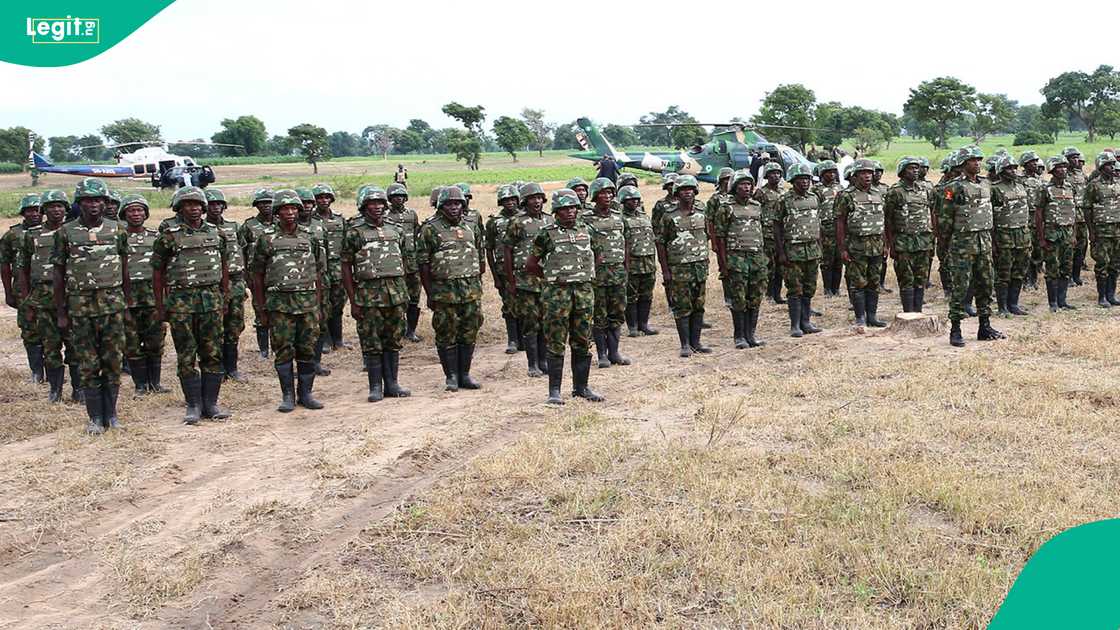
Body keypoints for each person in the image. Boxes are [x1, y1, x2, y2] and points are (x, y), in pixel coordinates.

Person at [51, 178, 130, 434]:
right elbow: (59, 273)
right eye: (87, 200)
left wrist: (126, 305)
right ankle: (95, 418)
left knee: (113, 361)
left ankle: (113, 415)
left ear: (105, 203)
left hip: (112, 307)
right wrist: (61, 311)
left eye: (98, 200)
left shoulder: (118, 230)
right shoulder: (65, 232)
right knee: (87, 362)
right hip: (81, 309)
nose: (93, 205)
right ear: (79, 204)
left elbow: (125, 268)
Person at [152, 186, 231, 423]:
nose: (193, 208)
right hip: (181, 304)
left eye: (197, 204)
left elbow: (224, 266)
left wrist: (224, 297)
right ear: (179, 208)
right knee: (186, 355)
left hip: (211, 302)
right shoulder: (169, 236)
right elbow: (157, 272)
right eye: (188, 204)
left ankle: (211, 404)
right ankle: (193, 405)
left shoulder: (217, 234)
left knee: (212, 353)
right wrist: (160, 305)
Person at [525, 188, 604, 404]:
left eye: (573, 208)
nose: (570, 212)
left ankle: (582, 388)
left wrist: (585, 274)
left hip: (584, 293)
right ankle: (554, 392)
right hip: (557, 295)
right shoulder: (546, 233)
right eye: (564, 208)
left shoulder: (587, 229)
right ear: (556, 211)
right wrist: (552, 277)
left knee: (582, 340)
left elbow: (599, 254)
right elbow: (531, 264)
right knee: (556, 341)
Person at [251, 189, 326, 412]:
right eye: (285, 209)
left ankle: (306, 394)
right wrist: (261, 308)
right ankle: (287, 396)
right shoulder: (266, 240)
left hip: (307, 303)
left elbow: (319, 273)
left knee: (307, 349)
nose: (290, 212)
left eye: (294, 208)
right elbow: (257, 275)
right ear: (277, 212)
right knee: (283, 349)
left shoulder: (310, 237)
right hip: (279, 305)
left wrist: (319, 305)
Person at [341, 186, 411, 402]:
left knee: (393, 340)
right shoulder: (354, 232)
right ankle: (375, 387)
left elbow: (405, 260)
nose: (378, 207)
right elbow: (345, 267)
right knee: (372, 341)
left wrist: (405, 293)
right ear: (364, 206)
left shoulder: (395, 229)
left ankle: (392, 384)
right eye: (372, 203)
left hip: (396, 295)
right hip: (368, 296)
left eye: (381, 203)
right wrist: (353, 301)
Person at [417, 186, 484, 391]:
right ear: (440, 206)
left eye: (457, 203)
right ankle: (451, 376)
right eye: (449, 204)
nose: (454, 207)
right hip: (444, 291)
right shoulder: (430, 228)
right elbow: (423, 263)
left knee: (469, 332)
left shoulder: (471, 226)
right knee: (446, 333)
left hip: (470, 290)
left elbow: (479, 254)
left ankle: (464, 374)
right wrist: (430, 293)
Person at [941, 147, 1005, 347]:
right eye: (972, 160)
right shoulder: (954, 188)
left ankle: (984, 326)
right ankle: (956, 329)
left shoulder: (988, 185)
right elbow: (945, 219)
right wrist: (946, 245)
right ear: (962, 164)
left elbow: (995, 208)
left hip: (984, 242)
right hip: (962, 245)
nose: (977, 163)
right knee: (960, 287)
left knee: (986, 285)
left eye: (979, 159)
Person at [19, 189, 79, 402]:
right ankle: (55, 390)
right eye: (51, 206)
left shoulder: (74, 232)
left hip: (71, 297)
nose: (56, 210)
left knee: (75, 345)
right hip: (43, 298)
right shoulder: (32, 235)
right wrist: (27, 302)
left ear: (66, 209)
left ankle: (78, 389)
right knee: (50, 346)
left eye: (60, 206)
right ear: (44, 210)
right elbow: (23, 270)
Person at [656, 175, 711, 357]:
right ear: (677, 193)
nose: (687, 192)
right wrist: (665, 270)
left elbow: (708, 235)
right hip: (679, 268)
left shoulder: (702, 212)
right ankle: (685, 344)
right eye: (683, 190)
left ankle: (696, 342)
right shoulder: (669, 216)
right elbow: (661, 243)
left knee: (699, 305)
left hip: (699, 266)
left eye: (690, 189)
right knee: (682, 307)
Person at [712, 170, 767, 349]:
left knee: (755, 297)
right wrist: (723, 263)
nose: (746, 187)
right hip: (736, 258)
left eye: (749, 184)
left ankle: (751, 335)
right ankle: (739, 336)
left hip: (757, 258)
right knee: (739, 298)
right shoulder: (725, 207)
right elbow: (720, 237)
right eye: (742, 184)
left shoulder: (757, 206)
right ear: (735, 187)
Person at [504, 183, 554, 377]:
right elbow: (507, 250)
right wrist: (511, 280)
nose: (537, 201)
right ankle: (532, 364)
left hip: (547, 280)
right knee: (530, 323)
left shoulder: (551, 220)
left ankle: (543, 361)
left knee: (545, 322)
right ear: (525, 201)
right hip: (525, 281)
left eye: (540, 197)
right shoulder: (517, 222)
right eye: (532, 198)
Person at [121, 194, 169, 394]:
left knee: (155, 341)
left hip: (152, 296)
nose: (136, 214)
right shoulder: (118, 237)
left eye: (140, 210)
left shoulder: (156, 237)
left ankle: (155, 383)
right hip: (128, 297)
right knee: (131, 342)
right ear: (124, 214)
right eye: (131, 210)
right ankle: (140, 385)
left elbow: (165, 268)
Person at [583, 178, 630, 368]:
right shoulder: (585, 219)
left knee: (617, 313)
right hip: (598, 275)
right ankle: (602, 354)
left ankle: (615, 352)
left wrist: (626, 267)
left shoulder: (619, 217)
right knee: (599, 315)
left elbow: (625, 243)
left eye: (610, 193)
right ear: (595, 196)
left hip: (618, 273)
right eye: (603, 193)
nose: (608, 196)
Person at [835, 159, 887, 329]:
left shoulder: (879, 193)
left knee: (874, 281)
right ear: (855, 175)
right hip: (856, 246)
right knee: (858, 283)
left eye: (870, 172)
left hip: (876, 245)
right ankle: (860, 318)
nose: (867, 176)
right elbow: (840, 222)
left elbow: (884, 220)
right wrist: (842, 248)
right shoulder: (846, 195)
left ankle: (872, 316)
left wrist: (886, 244)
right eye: (863, 173)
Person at [204, 188, 248, 383]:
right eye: (211, 204)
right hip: (212, 284)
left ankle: (232, 368)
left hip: (235, 282)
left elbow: (243, 252)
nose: (215, 208)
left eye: (218, 204)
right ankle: (217, 368)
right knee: (214, 329)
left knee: (234, 326)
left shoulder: (234, 227)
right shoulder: (202, 230)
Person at [774, 163, 822, 337]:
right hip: (793, 251)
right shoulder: (784, 200)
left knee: (809, 287)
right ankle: (795, 325)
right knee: (795, 289)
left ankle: (806, 322)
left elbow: (818, 223)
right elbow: (777, 226)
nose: (805, 182)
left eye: (807, 179)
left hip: (812, 249)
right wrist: (781, 252)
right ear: (793, 181)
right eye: (801, 179)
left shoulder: (815, 198)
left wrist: (820, 246)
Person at [884, 157, 935, 313]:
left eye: (916, 168)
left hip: (923, 241)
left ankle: (918, 312)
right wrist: (890, 244)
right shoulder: (895, 191)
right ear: (902, 171)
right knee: (906, 278)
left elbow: (932, 211)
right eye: (910, 168)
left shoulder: (925, 190)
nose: (915, 171)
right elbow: (888, 219)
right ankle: (908, 314)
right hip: (903, 241)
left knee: (920, 278)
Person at [2, 194, 43, 382]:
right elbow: (4, 265)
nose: (34, 214)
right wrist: (8, 293)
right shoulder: (12, 235)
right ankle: (36, 372)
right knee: (29, 330)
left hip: (49, 289)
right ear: (23, 213)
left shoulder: (52, 232)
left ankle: (53, 370)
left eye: (37, 210)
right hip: (23, 290)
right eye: (30, 210)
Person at [989, 156, 1032, 316]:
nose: (1013, 171)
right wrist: (993, 242)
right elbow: (989, 216)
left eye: (1014, 168)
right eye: (1009, 168)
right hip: (1003, 236)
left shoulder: (1021, 187)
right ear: (1001, 171)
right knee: (1003, 273)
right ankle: (1002, 307)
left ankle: (1013, 304)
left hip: (1022, 235)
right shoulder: (994, 189)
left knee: (1019, 271)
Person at [297, 187, 332, 377]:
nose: (307, 206)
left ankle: (316, 362)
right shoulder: (282, 229)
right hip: (297, 283)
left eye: (310, 203)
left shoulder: (320, 225)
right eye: (303, 203)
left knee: (320, 320)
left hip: (320, 280)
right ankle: (300, 364)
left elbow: (323, 254)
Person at [312, 183, 349, 352]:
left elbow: (348, 245)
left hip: (339, 268)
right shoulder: (310, 222)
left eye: (327, 197)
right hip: (321, 269)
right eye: (319, 197)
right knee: (323, 305)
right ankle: (325, 341)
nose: (323, 200)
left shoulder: (340, 220)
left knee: (338, 305)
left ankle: (338, 340)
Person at [485, 185, 522, 353]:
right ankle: (513, 340)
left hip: (524, 269)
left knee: (527, 306)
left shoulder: (525, 219)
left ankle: (526, 339)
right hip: (503, 270)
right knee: (509, 305)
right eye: (506, 200)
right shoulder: (494, 222)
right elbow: (489, 249)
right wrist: (496, 277)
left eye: (513, 199)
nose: (510, 203)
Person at [238, 189, 274, 359]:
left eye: (269, 202)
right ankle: (263, 350)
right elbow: (242, 253)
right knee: (260, 310)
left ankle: (277, 347)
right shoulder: (248, 226)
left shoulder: (280, 224)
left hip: (277, 276)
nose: (266, 206)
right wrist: (246, 278)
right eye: (262, 203)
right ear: (256, 205)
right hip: (256, 276)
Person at [1081, 152, 1120, 307]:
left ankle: (1111, 295)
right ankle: (1102, 297)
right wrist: (1091, 231)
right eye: (1109, 165)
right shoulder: (1094, 185)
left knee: (1116, 264)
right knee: (1102, 264)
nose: (1112, 167)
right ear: (1102, 167)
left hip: (1118, 230)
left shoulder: (1118, 183)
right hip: (1102, 230)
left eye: (1113, 164)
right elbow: (1087, 209)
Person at [386, 183, 423, 343]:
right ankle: (397, 329)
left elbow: (416, 234)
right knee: (398, 298)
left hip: (413, 263)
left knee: (414, 297)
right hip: (395, 263)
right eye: (395, 197)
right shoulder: (385, 216)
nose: (398, 199)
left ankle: (411, 331)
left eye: (401, 196)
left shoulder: (412, 214)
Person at [619, 185, 658, 337]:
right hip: (632, 262)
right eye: (630, 200)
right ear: (623, 201)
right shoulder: (620, 219)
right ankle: (633, 327)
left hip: (648, 261)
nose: (634, 202)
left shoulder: (644, 216)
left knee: (646, 295)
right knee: (631, 296)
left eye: (636, 199)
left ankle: (644, 324)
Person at [754, 162, 786, 304]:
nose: (776, 176)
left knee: (780, 266)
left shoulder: (783, 192)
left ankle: (777, 294)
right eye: (772, 173)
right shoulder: (761, 192)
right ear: (767, 176)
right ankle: (768, 294)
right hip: (766, 234)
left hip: (782, 233)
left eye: (778, 173)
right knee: (768, 266)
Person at [812, 161, 844, 297]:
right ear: (822, 174)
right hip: (825, 229)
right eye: (828, 172)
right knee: (827, 261)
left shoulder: (840, 188)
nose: (832, 175)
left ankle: (836, 289)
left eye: (833, 172)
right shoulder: (816, 190)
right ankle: (827, 289)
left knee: (839, 260)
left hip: (839, 229)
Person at [1063, 147, 1089, 286]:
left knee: (1081, 247)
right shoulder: (1062, 175)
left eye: (1077, 157)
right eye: (1072, 157)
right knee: (1069, 248)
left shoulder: (1081, 175)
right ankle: (1067, 277)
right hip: (1069, 217)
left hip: (1082, 217)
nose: (1076, 160)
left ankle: (1076, 275)